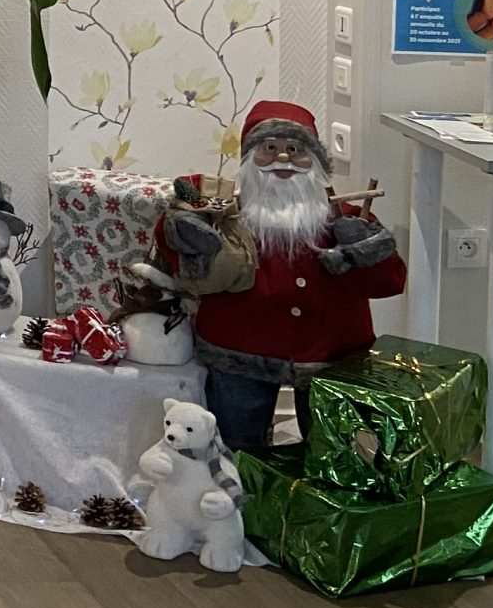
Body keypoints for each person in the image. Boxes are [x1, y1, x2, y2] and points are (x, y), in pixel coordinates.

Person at [153, 99, 403, 452]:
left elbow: (390, 283)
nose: (283, 158)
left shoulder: (346, 217)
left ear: (316, 160)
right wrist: (185, 225)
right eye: (269, 148)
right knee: (236, 447)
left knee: (332, 452)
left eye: (295, 149)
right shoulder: (224, 217)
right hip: (238, 348)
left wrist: (362, 248)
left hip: (330, 352)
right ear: (248, 158)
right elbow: (177, 256)